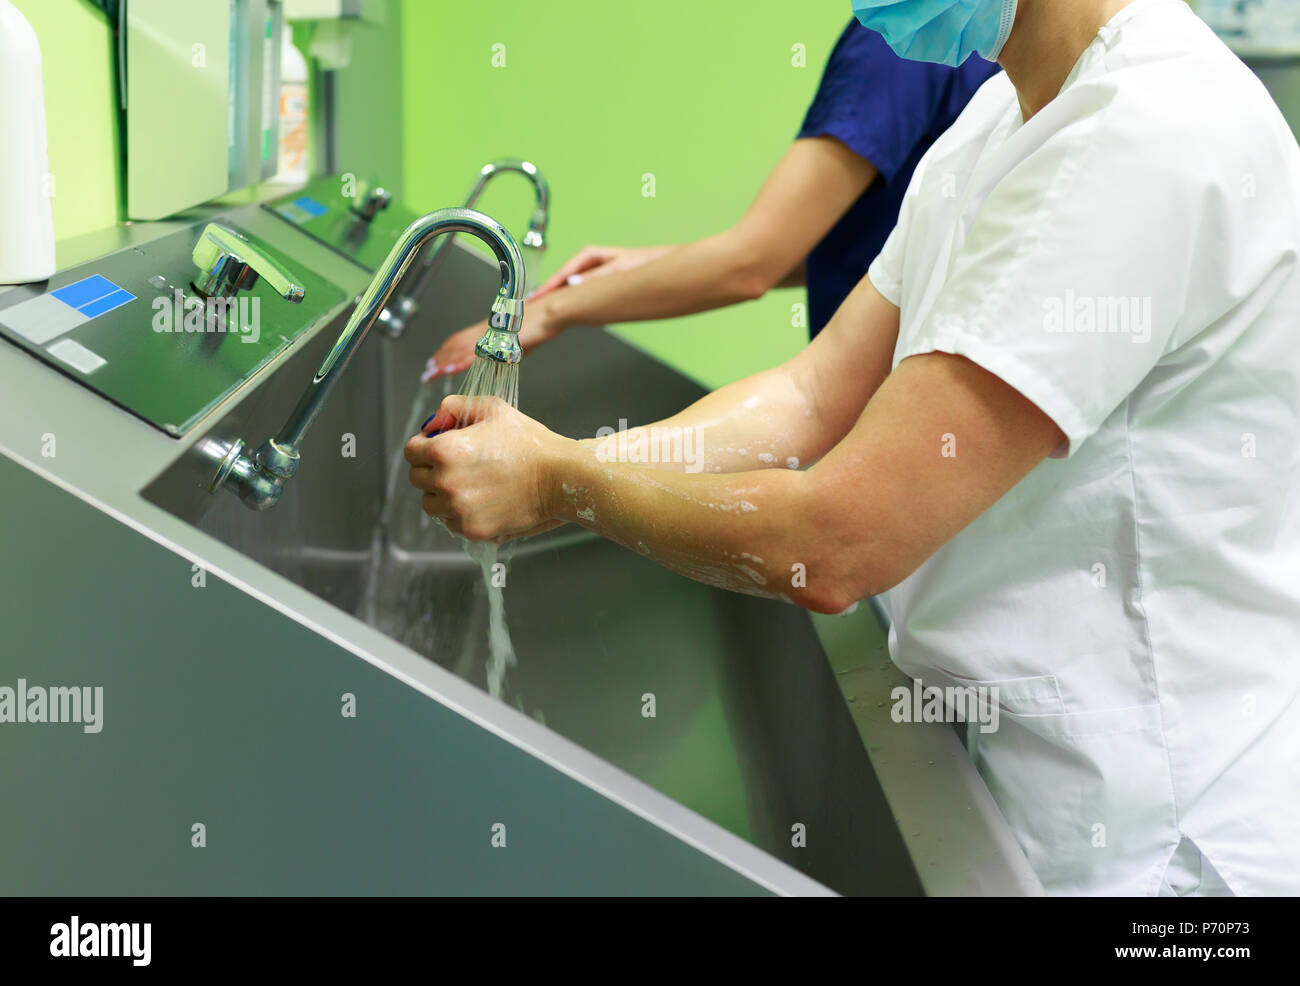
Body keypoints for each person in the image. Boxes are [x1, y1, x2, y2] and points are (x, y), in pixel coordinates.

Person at [406, 0, 1300, 896]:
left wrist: (561, 483)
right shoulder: (997, 120)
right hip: (1037, 778)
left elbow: (839, 541)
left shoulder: (1145, 136)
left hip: (1167, 835)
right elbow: (810, 394)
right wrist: (560, 457)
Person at [424, 20, 999, 379]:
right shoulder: (967, 36)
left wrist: (542, 313)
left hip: (896, 403)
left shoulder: (893, 47)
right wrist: (651, 263)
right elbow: (881, 250)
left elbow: (750, 265)